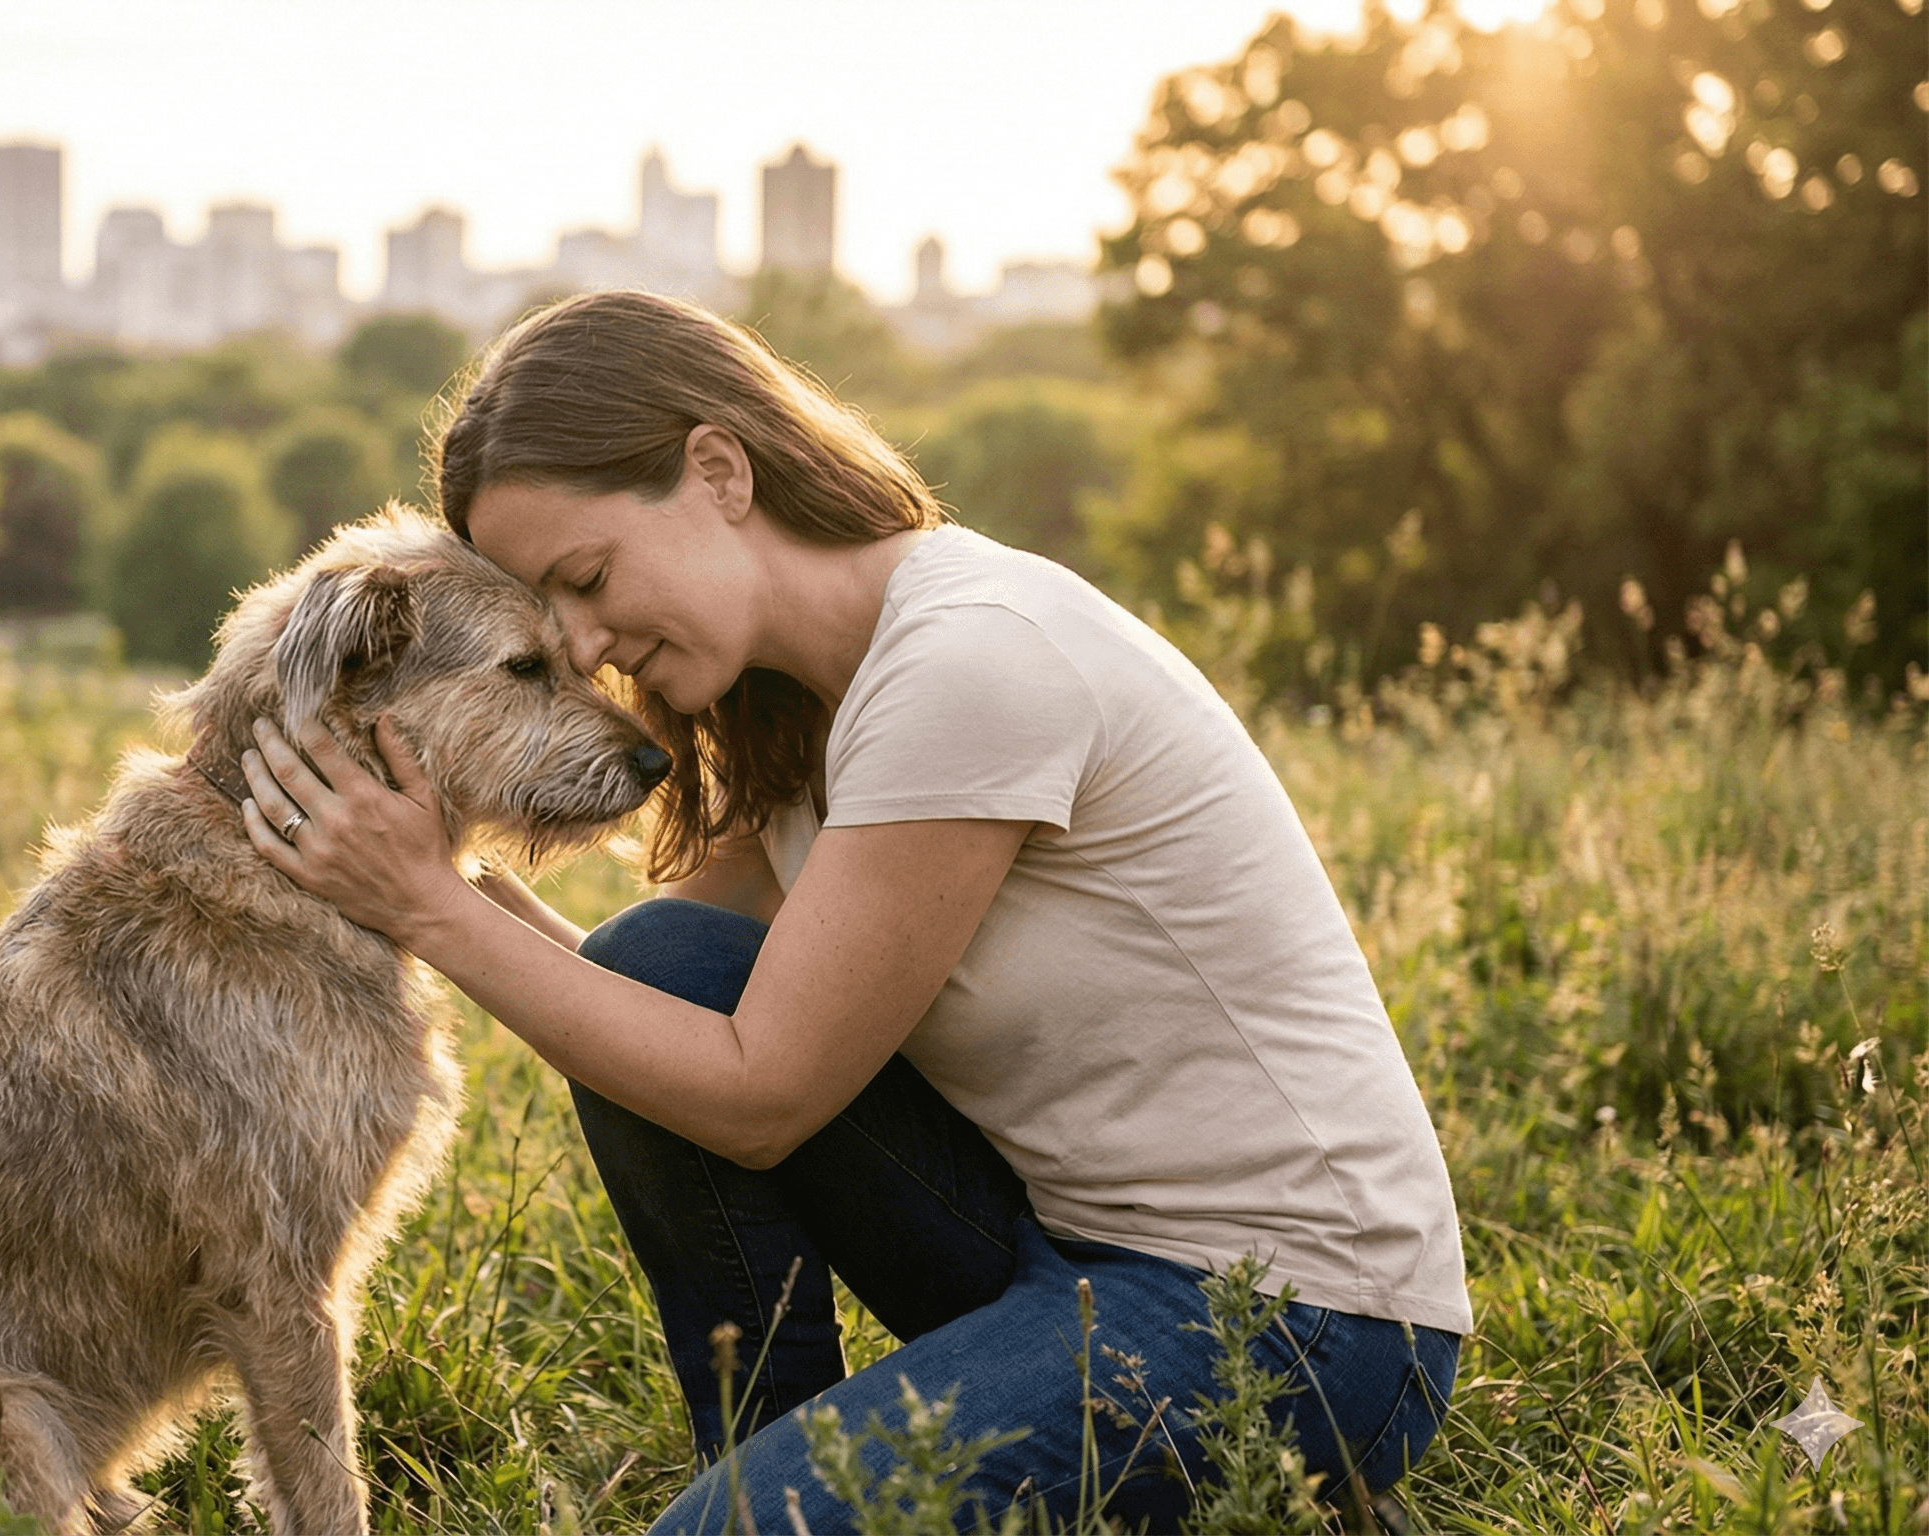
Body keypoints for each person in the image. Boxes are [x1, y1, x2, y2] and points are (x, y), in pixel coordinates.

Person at [235, 289, 1469, 1532]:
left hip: (1299, 1318)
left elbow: (758, 1095)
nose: (591, 648)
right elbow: (646, 992)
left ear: (718, 471)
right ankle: (764, 1466)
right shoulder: (796, 699)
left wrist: (433, 910)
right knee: (658, 956)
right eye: (554, 622)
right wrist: (417, 880)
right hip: (1062, 1255)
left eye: (590, 579)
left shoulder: (966, 660)